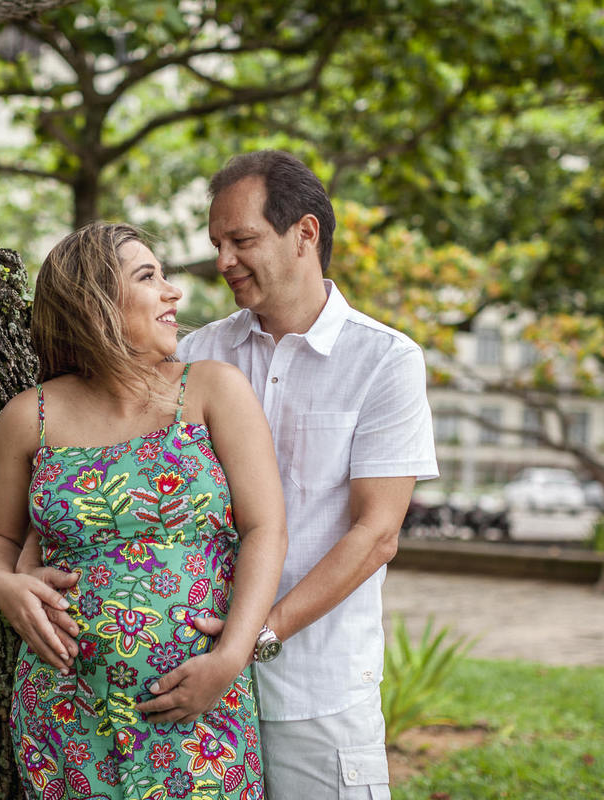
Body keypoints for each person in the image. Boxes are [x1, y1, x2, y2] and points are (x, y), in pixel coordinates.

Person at [140, 151, 439, 799]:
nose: (223, 261)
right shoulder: (195, 354)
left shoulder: (384, 360)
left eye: (242, 240)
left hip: (317, 691)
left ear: (305, 233)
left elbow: (376, 535)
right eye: (217, 244)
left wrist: (251, 639)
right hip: (188, 686)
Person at [0, 222, 287, 800]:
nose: (173, 292)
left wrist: (230, 659)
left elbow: (265, 529)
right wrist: (2, 583)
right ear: (92, 303)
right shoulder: (29, 417)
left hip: (197, 706)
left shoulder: (211, 390)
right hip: (67, 710)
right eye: (148, 277)